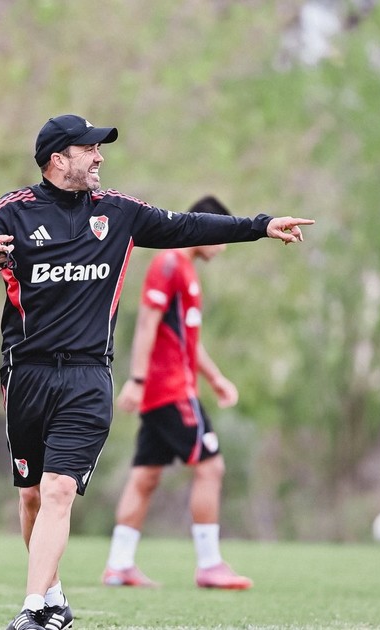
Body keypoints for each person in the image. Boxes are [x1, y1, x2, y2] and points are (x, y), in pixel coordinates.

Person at [0, 114, 313, 630]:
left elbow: (187, 225)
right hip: (25, 376)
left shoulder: (118, 213)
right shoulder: (14, 211)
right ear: (58, 159)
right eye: (89, 149)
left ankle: (33, 611)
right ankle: (53, 598)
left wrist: (260, 225)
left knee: (58, 489)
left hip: (86, 379)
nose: (99, 157)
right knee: (31, 497)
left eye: (100, 148)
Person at [102, 195, 253, 590]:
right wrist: (136, 380)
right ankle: (210, 564)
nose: (223, 246)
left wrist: (216, 378)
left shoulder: (186, 271)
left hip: (167, 390)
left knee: (146, 475)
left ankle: (119, 565)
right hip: (170, 389)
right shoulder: (169, 264)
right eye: (222, 235)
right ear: (206, 228)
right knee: (211, 467)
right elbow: (147, 324)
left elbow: (187, 340)